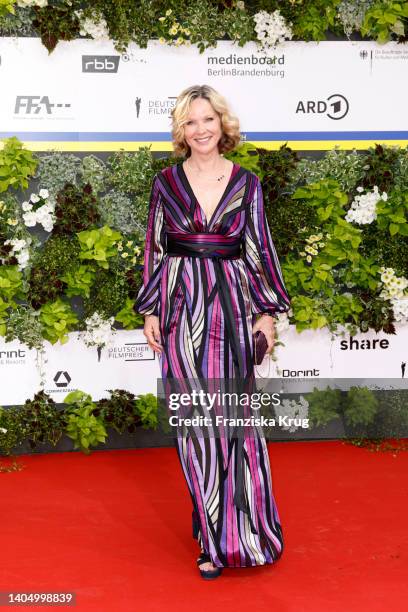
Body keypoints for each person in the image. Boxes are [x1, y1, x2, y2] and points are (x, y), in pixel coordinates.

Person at [134, 84, 291, 579]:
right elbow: (155, 250)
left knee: (235, 423)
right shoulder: (165, 183)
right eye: (191, 122)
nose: (201, 129)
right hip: (181, 309)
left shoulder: (247, 184)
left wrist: (265, 314)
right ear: (181, 131)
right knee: (195, 428)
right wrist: (150, 309)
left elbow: (260, 248)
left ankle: (246, 532)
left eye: (208, 119)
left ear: (223, 124)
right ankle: (210, 535)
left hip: (230, 305)